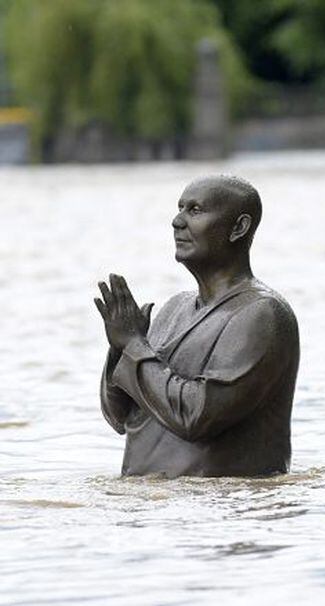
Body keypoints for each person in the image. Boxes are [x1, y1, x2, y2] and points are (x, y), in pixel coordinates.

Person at [95, 175, 300, 478]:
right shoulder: (174, 309)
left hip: (218, 513)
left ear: (238, 227)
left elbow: (195, 417)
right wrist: (120, 347)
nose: (177, 221)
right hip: (152, 510)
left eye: (195, 210)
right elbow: (120, 417)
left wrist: (135, 346)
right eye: (179, 209)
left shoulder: (262, 315)